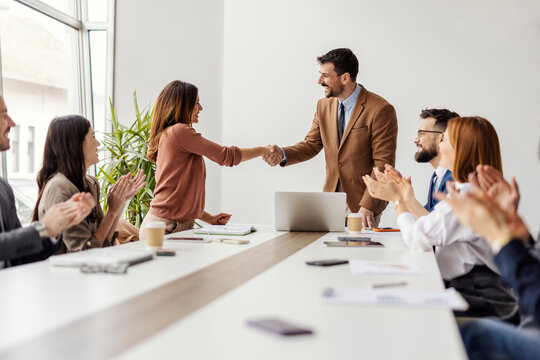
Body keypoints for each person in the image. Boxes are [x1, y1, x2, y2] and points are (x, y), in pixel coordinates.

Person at [363, 116, 517, 319]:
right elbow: (430, 224)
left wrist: (398, 201)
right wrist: (404, 197)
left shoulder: (468, 196)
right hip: (471, 289)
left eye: (443, 140)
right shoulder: (466, 191)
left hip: (481, 296)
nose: (439, 146)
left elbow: (418, 238)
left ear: (461, 148)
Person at [263, 48, 398, 229]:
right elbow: (311, 144)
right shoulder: (323, 106)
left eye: (325, 76)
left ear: (345, 78)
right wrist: (283, 154)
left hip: (363, 203)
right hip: (330, 200)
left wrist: (368, 206)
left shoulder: (380, 109)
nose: (319, 81)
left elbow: (382, 163)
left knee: (357, 254)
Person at [141, 80, 269, 237]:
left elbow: (178, 196)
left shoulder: (172, 134)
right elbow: (226, 156)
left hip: (167, 225)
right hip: (165, 227)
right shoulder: (179, 132)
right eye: (196, 103)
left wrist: (210, 219)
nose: (200, 108)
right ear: (182, 105)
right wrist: (263, 150)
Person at [438, 165, 540, 359]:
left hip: (492, 300)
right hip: (524, 322)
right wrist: (521, 240)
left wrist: (502, 238)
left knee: (474, 337)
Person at [0, 95, 95, 268]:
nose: (12, 123)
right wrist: (43, 228)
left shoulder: (4, 189)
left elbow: (20, 255)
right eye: (3, 115)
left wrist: (54, 229)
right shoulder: (60, 185)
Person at [33, 115, 146, 253]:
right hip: (65, 272)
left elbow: (104, 243)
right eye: (93, 137)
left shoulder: (91, 183)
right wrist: (111, 212)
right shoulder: (59, 187)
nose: (98, 143)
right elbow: (84, 252)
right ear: (76, 144)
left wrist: (119, 203)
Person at [414, 108, 459, 211]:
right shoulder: (437, 176)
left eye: (422, 134)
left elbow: (433, 224)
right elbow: (428, 216)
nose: (415, 140)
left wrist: (402, 198)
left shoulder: (456, 179)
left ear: (442, 137)